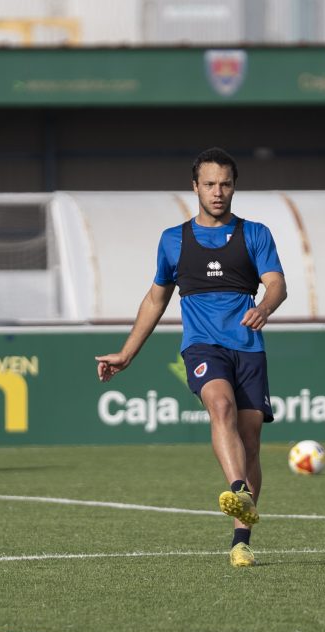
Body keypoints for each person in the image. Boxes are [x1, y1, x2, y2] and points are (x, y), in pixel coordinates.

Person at [95, 148, 287, 567]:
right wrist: (127, 354)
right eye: (210, 184)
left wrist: (265, 307)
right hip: (202, 345)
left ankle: (241, 539)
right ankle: (238, 490)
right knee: (220, 406)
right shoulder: (173, 240)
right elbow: (155, 299)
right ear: (195, 187)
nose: (218, 192)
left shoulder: (255, 233)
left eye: (226, 184)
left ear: (234, 187)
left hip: (248, 348)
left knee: (251, 440)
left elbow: (276, 285)